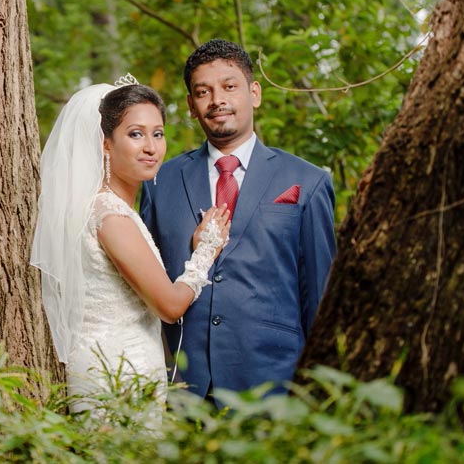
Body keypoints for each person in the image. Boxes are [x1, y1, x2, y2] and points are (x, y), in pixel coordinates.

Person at [140, 39, 336, 403]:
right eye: (203, 91)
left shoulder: (308, 182)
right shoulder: (159, 182)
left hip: (274, 387)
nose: (217, 99)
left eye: (229, 86)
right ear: (192, 106)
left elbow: (321, 300)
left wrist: (318, 396)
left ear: (254, 93)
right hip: (182, 388)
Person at [30, 76, 230, 418]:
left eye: (158, 133)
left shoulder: (108, 209)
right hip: (117, 373)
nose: (151, 147)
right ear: (105, 143)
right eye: (135, 134)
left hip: (123, 364)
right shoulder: (110, 217)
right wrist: (206, 250)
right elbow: (168, 306)